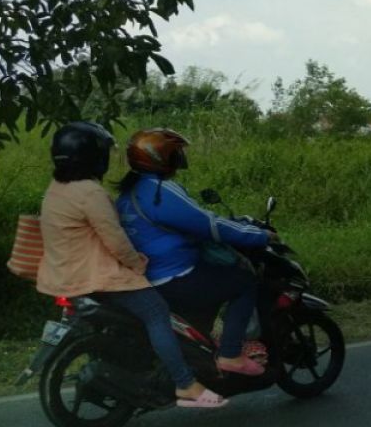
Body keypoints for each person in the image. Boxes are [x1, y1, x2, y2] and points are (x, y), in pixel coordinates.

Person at [36, 121, 227, 409]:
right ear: (92, 156)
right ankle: (185, 383)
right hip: (98, 277)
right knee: (156, 311)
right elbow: (115, 239)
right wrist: (137, 263)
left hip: (65, 275)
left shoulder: (56, 189)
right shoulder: (90, 193)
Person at [115, 128, 271, 377]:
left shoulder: (127, 193)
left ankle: (203, 349)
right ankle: (231, 353)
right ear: (161, 157)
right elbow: (210, 224)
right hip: (175, 275)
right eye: (175, 153)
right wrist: (259, 235)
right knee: (244, 282)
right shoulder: (160, 191)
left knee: (211, 279)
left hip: (149, 278)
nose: (180, 158)